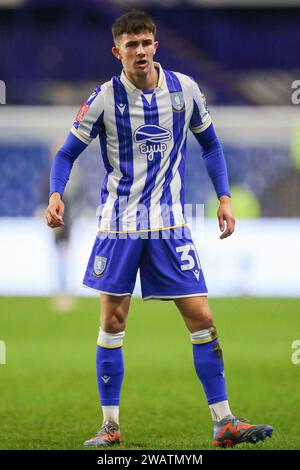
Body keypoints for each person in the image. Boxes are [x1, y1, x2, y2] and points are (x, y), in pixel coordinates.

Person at [45, 10, 273, 448]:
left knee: (202, 317)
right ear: (118, 52)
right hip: (119, 227)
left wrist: (225, 197)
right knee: (112, 321)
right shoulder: (104, 99)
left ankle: (224, 422)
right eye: (132, 45)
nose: (142, 51)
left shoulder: (184, 89)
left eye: (147, 42)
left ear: (156, 45)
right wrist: (56, 193)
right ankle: (110, 427)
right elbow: (65, 154)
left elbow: (210, 144)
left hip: (171, 225)